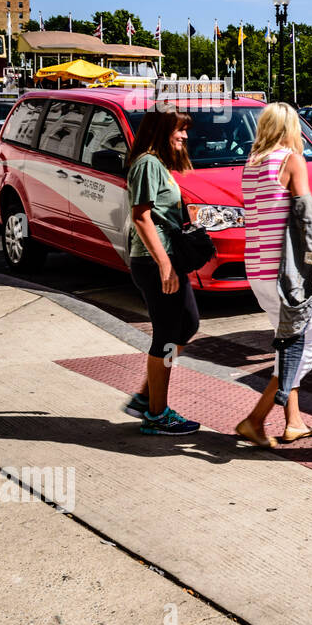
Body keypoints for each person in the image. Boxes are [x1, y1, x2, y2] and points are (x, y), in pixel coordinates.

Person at [235, 103, 312, 448]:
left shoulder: (252, 164)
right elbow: (306, 218)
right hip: (285, 273)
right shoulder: (291, 160)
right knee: (310, 338)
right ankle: (255, 419)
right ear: (290, 128)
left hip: (258, 270)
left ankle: (294, 421)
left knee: (288, 340)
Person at [123, 105, 202, 435]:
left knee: (187, 325)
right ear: (160, 130)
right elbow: (141, 216)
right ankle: (156, 414)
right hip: (155, 262)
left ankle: (145, 397)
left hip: (165, 259)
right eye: (178, 129)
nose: (185, 135)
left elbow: (158, 214)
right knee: (168, 336)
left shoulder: (159, 165)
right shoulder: (147, 164)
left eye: (185, 129)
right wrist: (165, 265)